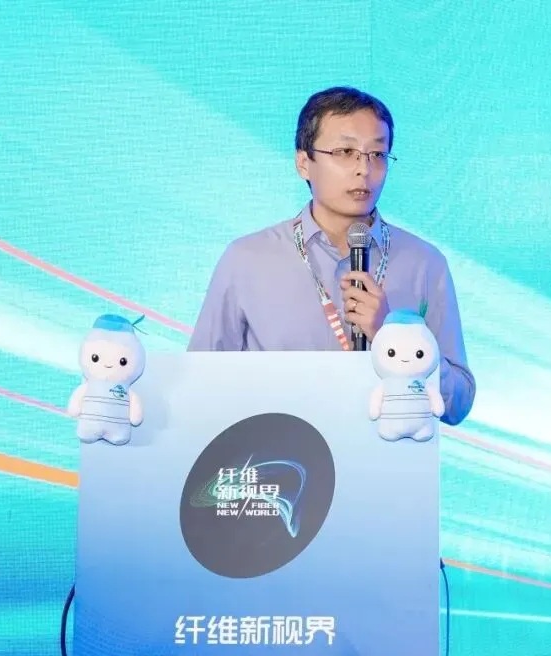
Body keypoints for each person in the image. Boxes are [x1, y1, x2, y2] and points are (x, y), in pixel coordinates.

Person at [187, 86, 475, 425]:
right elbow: (199, 385)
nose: (363, 169)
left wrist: (394, 339)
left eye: (377, 154)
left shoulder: (424, 264)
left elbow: (458, 403)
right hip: (279, 451)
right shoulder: (248, 259)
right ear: (303, 163)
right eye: (345, 152)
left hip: (386, 456)